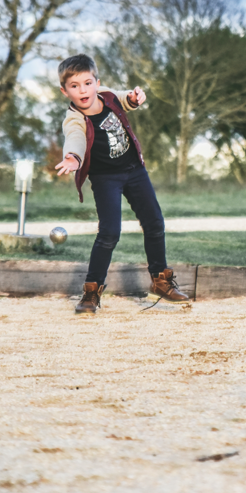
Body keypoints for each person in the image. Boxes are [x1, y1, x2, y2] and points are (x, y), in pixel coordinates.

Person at [54, 53, 188, 313]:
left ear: (97, 82)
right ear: (64, 91)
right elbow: (74, 139)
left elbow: (123, 97)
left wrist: (134, 98)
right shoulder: (74, 119)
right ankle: (91, 293)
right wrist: (72, 157)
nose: (83, 90)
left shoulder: (106, 95)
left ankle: (160, 280)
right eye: (74, 86)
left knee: (154, 222)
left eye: (87, 83)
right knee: (109, 233)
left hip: (135, 171)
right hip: (105, 179)